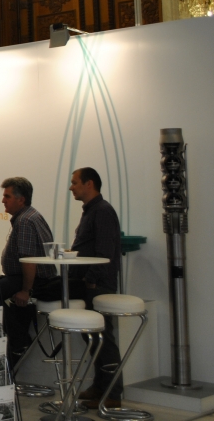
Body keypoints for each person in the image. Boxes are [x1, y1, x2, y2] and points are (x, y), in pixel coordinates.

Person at [69, 167, 123, 407]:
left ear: (89, 184)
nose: (71, 187)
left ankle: (112, 393)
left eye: (75, 182)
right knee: (93, 337)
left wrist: (91, 279)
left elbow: (105, 252)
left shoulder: (102, 211)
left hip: (98, 285)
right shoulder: (92, 211)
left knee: (103, 338)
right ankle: (100, 386)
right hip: (90, 284)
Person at [0, 176, 55, 368]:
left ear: (21, 199)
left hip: (32, 280)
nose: (3, 200)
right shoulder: (30, 216)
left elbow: (29, 260)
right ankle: (16, 344)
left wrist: (25, 291)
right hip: (25, 278)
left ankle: (19, 339)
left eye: (7, 196)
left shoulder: (25, 221)